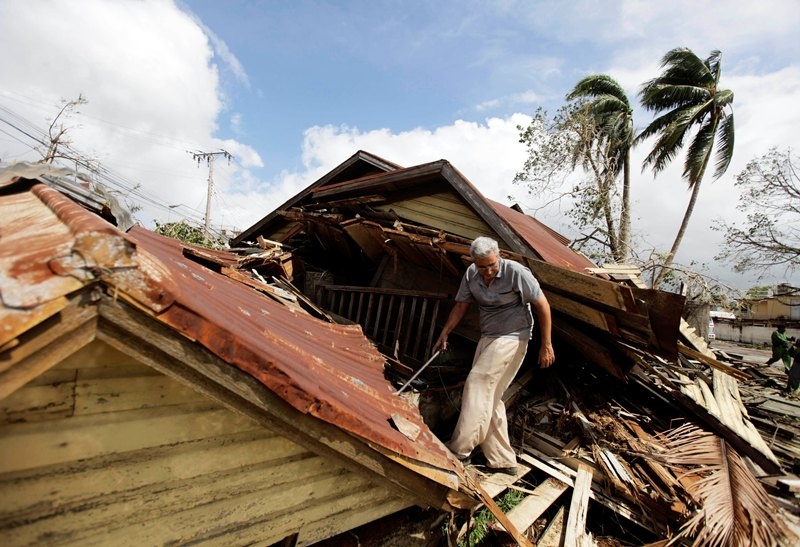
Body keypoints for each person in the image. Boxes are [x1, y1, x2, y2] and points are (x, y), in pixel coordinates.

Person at [433, 236, 554, 475]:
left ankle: (460, 450)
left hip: (514, 336)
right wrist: (445, 332)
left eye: (491, 265)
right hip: (489, 336)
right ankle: (502, 459)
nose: (488, 271)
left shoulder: (516, 272)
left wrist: (547, 344)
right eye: (482, 267)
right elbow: (461, 305)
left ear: (499, 257)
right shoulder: (471, 274)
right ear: (474, 262)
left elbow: (542, 305)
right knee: (490, 398)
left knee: (477, 382)